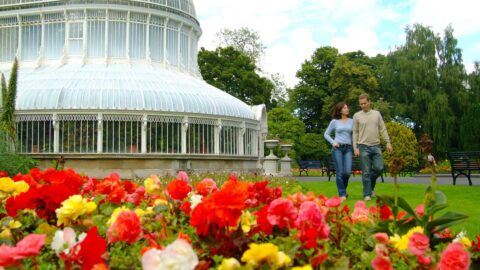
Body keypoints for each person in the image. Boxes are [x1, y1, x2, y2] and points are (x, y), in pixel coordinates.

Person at [353, 93, 392, 201]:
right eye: (361, 104)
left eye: (365, 103)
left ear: (369, 102)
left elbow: (382, 128)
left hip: (376, 146)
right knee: (366, 171)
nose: (363, 105)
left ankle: (369, 187)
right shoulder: (357, 116)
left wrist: (388, 142)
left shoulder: (376, 114)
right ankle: (367, 194)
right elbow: (355, 133)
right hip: (363, 147)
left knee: (379, 168)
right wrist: (355, 147)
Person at [324, 101, 353, 199]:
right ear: (340, 110)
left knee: (347, 172)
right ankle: (342, 194)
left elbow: (354, 135)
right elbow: (326, 134)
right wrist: (333, 142)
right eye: (344, 108)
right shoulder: (334, 122)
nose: (347, 109)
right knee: (340, 172)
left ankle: (343, 190)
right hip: (337, 149)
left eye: (347, 107)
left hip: (348, 148)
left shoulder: (352, 121)